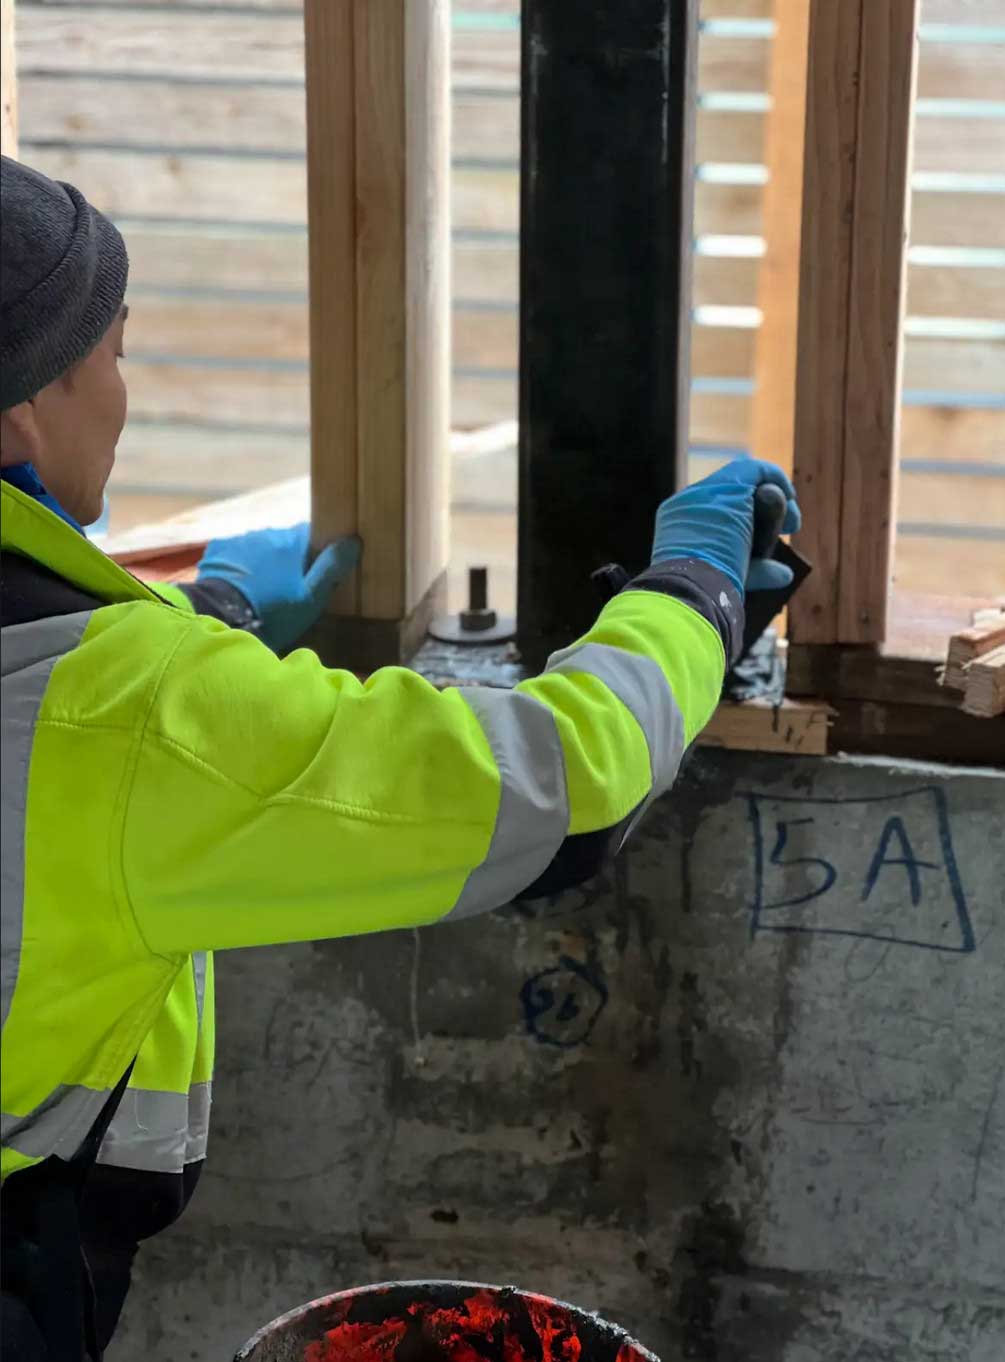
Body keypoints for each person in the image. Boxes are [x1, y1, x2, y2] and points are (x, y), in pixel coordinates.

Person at [0, 155, 800, 1360]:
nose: (125, 390)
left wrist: (204, 637)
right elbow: (563, 783)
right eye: (113, 351)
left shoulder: (111, 707)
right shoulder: (124, 717)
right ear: (24, 410)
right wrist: (692, 594)